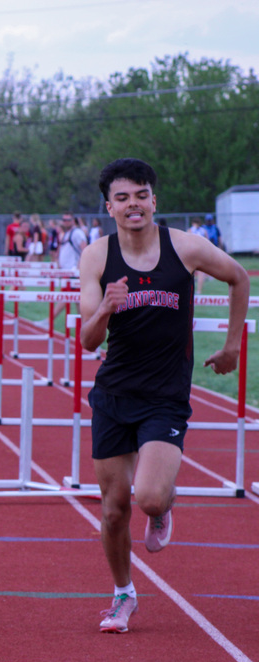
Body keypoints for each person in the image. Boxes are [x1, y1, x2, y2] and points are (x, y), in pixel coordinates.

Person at [79, 158, 249, 634]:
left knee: (149, 499)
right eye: (122, 197)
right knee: (114, 509)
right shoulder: (96, 257)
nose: (133, 204)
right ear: (108, 206)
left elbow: (240, 277)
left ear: (154, 200)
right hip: (114, 393)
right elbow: (89, 342)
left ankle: (164, 503)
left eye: (141, 195)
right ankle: (123, 594)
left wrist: (233, 345)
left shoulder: (187, 248)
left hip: (165, 396)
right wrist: (108, 309)